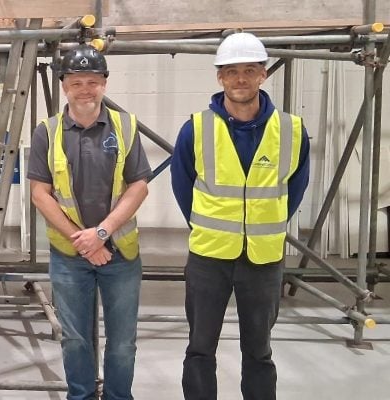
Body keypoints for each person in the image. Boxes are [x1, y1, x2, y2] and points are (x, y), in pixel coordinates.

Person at [171, 32, 310, 400]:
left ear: (264, 74)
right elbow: (183, 187)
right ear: (220, 77)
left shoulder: (292, 131)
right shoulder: (196, 129)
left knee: (260, 351)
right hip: (209, 256)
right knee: (200, 348)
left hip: (263, 259)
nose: (241, 79)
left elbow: (294, 190)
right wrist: (211, 225)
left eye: (250, 70)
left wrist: (263, 224)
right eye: (232, 72)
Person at [27, 44, 151, 400]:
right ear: (64, 84)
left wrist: (101, 233)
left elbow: (139, 186)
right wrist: (81, 241)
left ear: (105, 84)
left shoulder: (125, 126)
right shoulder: (46, 133)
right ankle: (79, 396)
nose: (85, 89)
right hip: (70, 257)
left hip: (120, 254)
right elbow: (40, 193)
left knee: (123, 342)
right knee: (75, 338)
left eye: (93, 81)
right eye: (77, 81)